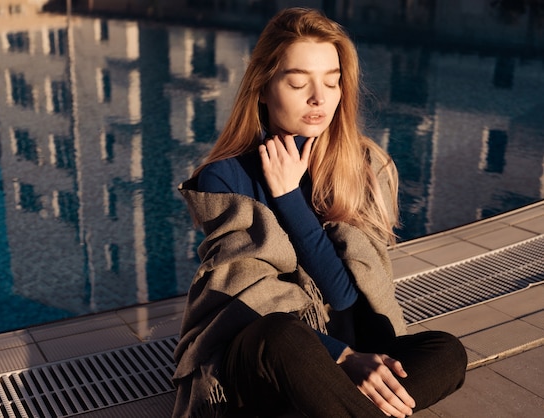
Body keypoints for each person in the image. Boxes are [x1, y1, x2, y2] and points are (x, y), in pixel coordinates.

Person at [172, 7, 466, 418]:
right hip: (264, 360)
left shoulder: (360, 165)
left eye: (332, 81)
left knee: (446, 352)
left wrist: (290, 196)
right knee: (283, 335)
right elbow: (247, 304)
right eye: (297, 83)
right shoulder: (225, 178)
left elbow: (345, 297)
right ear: (262, 88)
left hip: (351, 352)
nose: (319, 98)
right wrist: (342, 357)